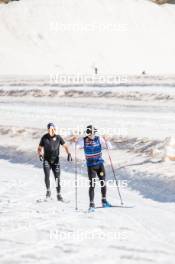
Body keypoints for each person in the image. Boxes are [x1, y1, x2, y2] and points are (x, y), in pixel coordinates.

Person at [76, 125, 112, 212]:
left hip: (100, 165)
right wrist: (75, 142)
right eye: (91, 133)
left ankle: (104, 201)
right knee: (92, 185)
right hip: (91, 166)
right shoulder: (83, 140)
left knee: (103, 182)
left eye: (93, 132)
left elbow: (109, 147)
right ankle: (91, 205)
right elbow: (75, 147)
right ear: (88, 133)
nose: (92, 134)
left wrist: (107, 141)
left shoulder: (99, 138)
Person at [37, 123, 72, 201]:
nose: (51, 130)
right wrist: (40, 155)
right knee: (47, 176)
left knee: (57, 178)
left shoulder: (58, 137)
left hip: (56, 161)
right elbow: (39, 148)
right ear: (48, 129)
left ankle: (58, 194)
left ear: (54, 129)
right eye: (49, 129)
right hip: (46, 160)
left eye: (52, 129)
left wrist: (69, 154)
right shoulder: (44, 137)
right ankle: (48, 191)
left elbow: (65, 146)